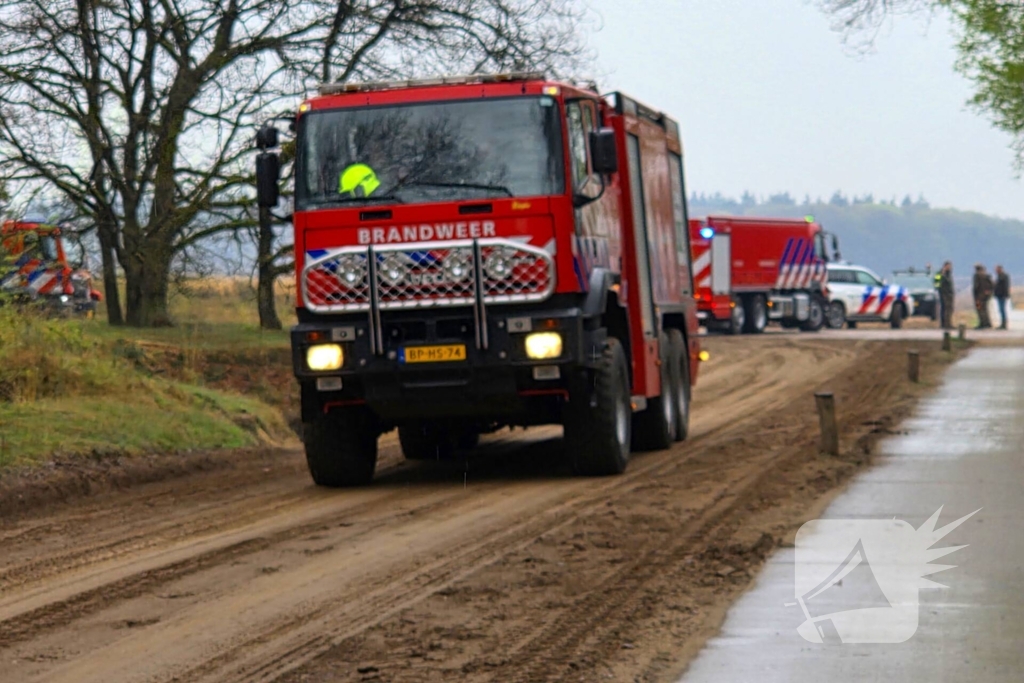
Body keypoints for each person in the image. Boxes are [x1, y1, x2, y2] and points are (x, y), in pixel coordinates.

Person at [972, 263, 994, 329]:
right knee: (985, 309)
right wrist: (989, 292)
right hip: (986, 296)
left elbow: (976, 286)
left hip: (978, 296)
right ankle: (987, 323)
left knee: (979, 309)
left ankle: (982, 323)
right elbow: (993, 285)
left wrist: (975, 294)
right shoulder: (987, 276)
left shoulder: (977, 276)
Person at [937, 261, 954, 329]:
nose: (950, 268)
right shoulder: (940, 273)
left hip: (949, 294)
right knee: (946, 309)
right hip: (944, 294)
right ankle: (946, 324)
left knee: (949, 309)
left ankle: (948, 323)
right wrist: (941, 291)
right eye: (948, 266)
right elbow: (937, 283)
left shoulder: (949, 273)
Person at [994, 264, 1011, 330]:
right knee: (1001, 309)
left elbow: (1005, 286)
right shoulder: (999, 276)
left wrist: (1005, 295)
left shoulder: (1004, 276)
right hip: (999, 295)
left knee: (1002, 309)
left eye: (997, 269)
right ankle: (1002, 323)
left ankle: (1004, 323)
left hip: (1002, 295)